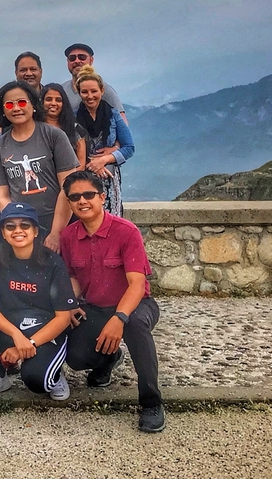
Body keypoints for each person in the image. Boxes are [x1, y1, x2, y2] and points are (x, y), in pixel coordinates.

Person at [60, 171, 165, 433]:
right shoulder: (68, 236)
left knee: (135, 326)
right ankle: (109, 358)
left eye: (88, 194)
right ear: (69, 202)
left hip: (136, 304)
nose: (82, 201)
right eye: (75, 197)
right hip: (96, 307)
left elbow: (137, 284)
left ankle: (152, 403)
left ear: (102, 197)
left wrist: (119, 318)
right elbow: (73, 276)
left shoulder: (126, 231)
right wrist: (70, 302)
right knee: (76, 357)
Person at [0, 202, 76, 401]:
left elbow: (63, 318)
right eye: (10, 226)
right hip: (13, 331)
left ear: (36, 231)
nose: (18, 230)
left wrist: (28, 344)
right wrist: (16, 335)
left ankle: (55, 372)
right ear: (3, 233)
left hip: (45, 335)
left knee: (38, 382)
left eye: (25, 225)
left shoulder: (53, 262)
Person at [0, 81, 80, 251]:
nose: (16, 108)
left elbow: (69, 187)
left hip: (60, 223)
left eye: (22, 102)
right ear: (3, 110)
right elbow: (2, 195)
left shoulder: (54, 136)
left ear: (33, 104)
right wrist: (18, 226)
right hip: (22, 228)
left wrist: (56, 233)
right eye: (9, 105)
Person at [74, 68, 136, 217]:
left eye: (94, 91)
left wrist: (104, 159)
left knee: (111, 219)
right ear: (79, 93)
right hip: (83, 178)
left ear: (102, 91)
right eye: (85, 92)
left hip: (110, 179)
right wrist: (93, 164)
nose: (90, 96)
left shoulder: (113, 115)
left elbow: (129, 147)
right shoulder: (73, 118)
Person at [60, 43, 126, 119]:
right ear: (67, 61)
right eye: (72, 58)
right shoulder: (61, 90)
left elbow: (121, 118)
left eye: (82, 57)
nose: (77, 61)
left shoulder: (104, 89)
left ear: (91, 60)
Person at [42, 83, 87, 170]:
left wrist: (65, 177)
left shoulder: (75, 129)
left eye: (58, 100)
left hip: (71, 176)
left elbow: (81, 165)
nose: (53, 103)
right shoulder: (34, 128)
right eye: (48, 99)